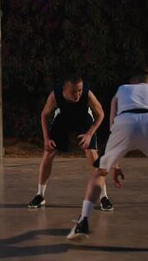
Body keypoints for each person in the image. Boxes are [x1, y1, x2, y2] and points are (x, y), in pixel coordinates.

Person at [66, 66, 148, 252]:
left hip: (125, 123)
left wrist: (115, 163)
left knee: (99, 172)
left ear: (131, 81)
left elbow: (113, 126)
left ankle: (83, 223)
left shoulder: (122, 90)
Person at [27, 73, 118, 211]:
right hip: (63, 118)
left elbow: (101, 114)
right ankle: (40, 195)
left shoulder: (87, 95)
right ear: (64, 90)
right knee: (49, 152)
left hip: (84, 119)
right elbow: (44, 115)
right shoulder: (55, 95)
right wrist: (46, 139)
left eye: (80, 90)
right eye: (73, 92)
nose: (78, 95)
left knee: (93, 155)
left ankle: (104, 197)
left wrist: (89, 134)